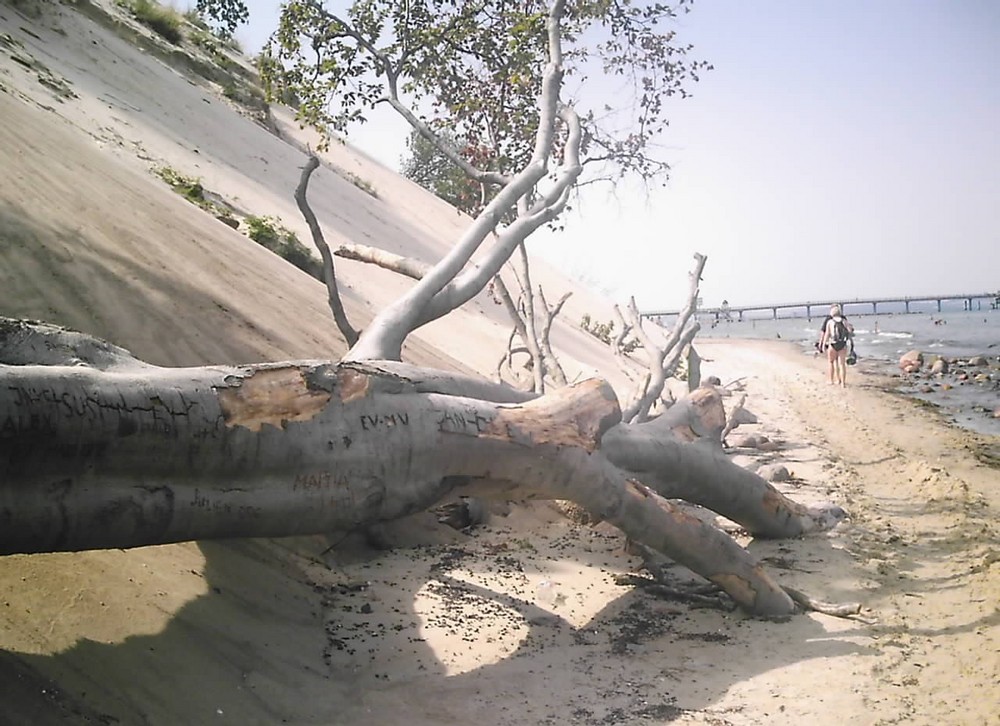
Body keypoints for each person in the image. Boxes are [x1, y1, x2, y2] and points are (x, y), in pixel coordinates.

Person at [817, 304, 854, 386]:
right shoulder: (844, 321)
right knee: (842, 364)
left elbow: (827, 334)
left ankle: (831, 380)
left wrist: (823, 345)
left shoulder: (830, 322)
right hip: (843, 344)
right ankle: (843, 383)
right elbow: (850, 331)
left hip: (833, 344)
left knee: (831, 362)